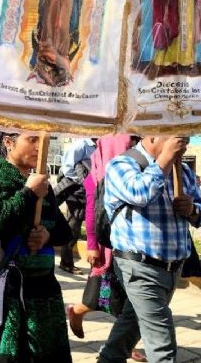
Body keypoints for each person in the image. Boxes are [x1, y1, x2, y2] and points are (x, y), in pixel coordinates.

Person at [0, 133, 73, 362]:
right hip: (7, 292)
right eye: (32, 140)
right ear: (8, 142)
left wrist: (46, 235)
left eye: (45, 141)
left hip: (45, 293)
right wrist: (28, 193)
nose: (40, 148)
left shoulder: (42, 184)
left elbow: (65, 232)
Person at [98, 136, 200, 363]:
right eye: (177, 135)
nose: (184, 141)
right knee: (162, 346)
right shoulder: (122, 164)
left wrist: (192, 209)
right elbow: (139, 193)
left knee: (129, 329)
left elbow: (199, 211)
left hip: (172, 269)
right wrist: (163, 160)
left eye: (186, 136)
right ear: (153, 133)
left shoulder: (182, 171)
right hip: (139, 267)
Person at [65, 135, 147, 362]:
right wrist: (92, 245)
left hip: (128, 244)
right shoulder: (96, 175)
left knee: (125, 298)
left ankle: (125, 344)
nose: (132, 147)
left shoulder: (135, 170)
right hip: (106, 246)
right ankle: (77, 312)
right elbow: (91, 212)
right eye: (128, 143)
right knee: (101, 295)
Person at [55, 138, 97, 275]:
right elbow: (68, 168)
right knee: (73, 226)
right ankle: (66, 263)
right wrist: (82, 182)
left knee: (82, 224)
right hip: (76, 191)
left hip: (88, 191)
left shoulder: (99, 145)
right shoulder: (82, 145)